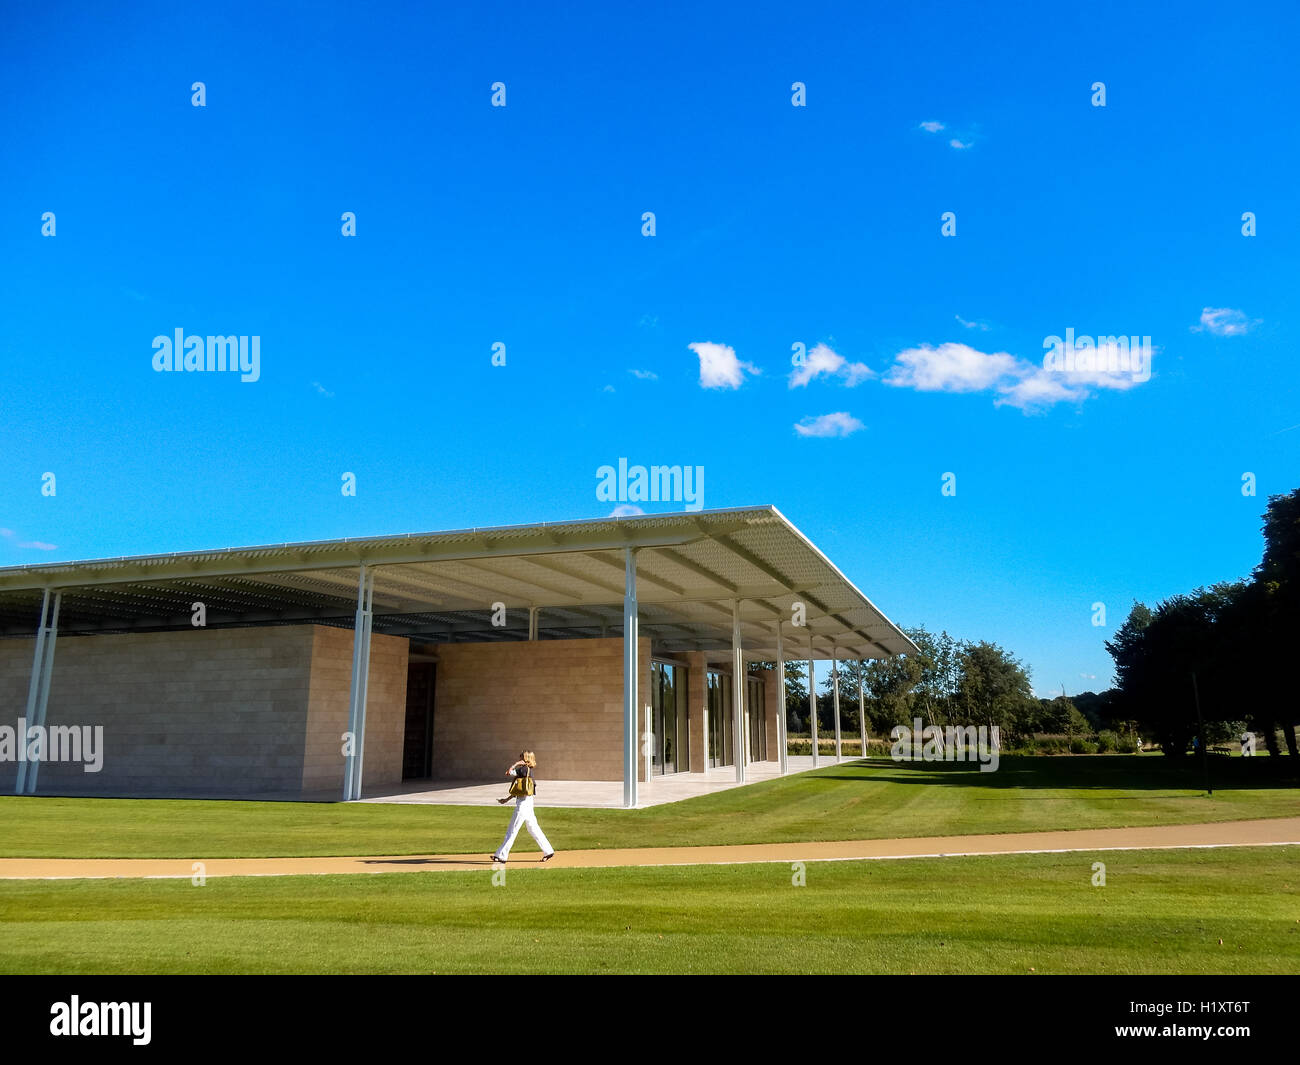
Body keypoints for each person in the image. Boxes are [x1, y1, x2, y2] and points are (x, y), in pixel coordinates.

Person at [490, 751, 555, 863]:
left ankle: (501, 855)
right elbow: (521, 789)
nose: (519, 757)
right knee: (533, 828)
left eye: (520, 756)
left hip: (523, 805)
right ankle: (548, 851)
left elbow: (508, 772)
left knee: (512, 830)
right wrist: (507, 799)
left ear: (524, 758)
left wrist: (515, 764)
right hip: (529, 802)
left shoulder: (522, 769)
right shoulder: (529, 771)